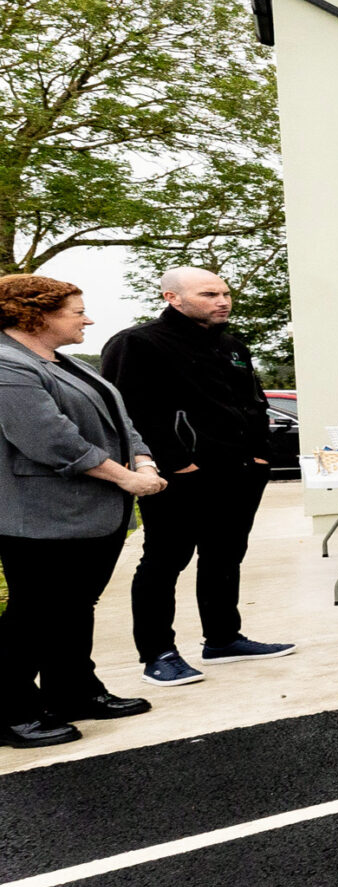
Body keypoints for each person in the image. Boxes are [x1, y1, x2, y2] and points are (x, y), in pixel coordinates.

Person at [102, 266, 293, 685]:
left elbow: (254, 403)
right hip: (179, 477)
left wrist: (261, 456)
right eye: (209, 295)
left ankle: (223, 639)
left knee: (225, 556)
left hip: (241, 473)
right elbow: (130, 414)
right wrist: (176, 463)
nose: (222, 301)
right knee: (164, 561)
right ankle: (158, 654)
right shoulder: (138, 343)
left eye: (225, 293)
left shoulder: (231, 345)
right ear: (172, 298)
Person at [0, 277, 164, 748]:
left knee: (73, 607)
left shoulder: (66, 361)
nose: (87, 320)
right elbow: (50, 439)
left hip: (92, 511)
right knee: (35, 613)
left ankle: (73, 692)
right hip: (41, 516)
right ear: (35, 316)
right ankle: (10, 712)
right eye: (77, 312)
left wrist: (143, 460)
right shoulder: (7, 366)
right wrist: (125, 478)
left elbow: (120, 421)